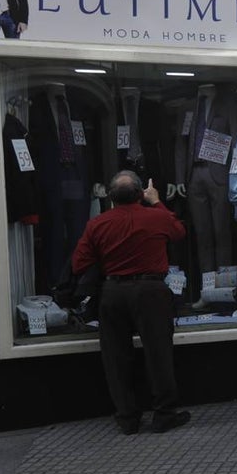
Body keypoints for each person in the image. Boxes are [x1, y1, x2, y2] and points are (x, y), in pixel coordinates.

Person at [71, 171, 188, 435]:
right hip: (150, 290)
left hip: (113, 291)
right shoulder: (156, 216)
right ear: (140, 194)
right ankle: (164, 414)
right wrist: (156, 201)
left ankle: (127, 417)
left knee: (116, 356)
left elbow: (79, 263)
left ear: (111, 197)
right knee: (158, 353)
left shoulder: (97, 224)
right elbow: (178, 231)